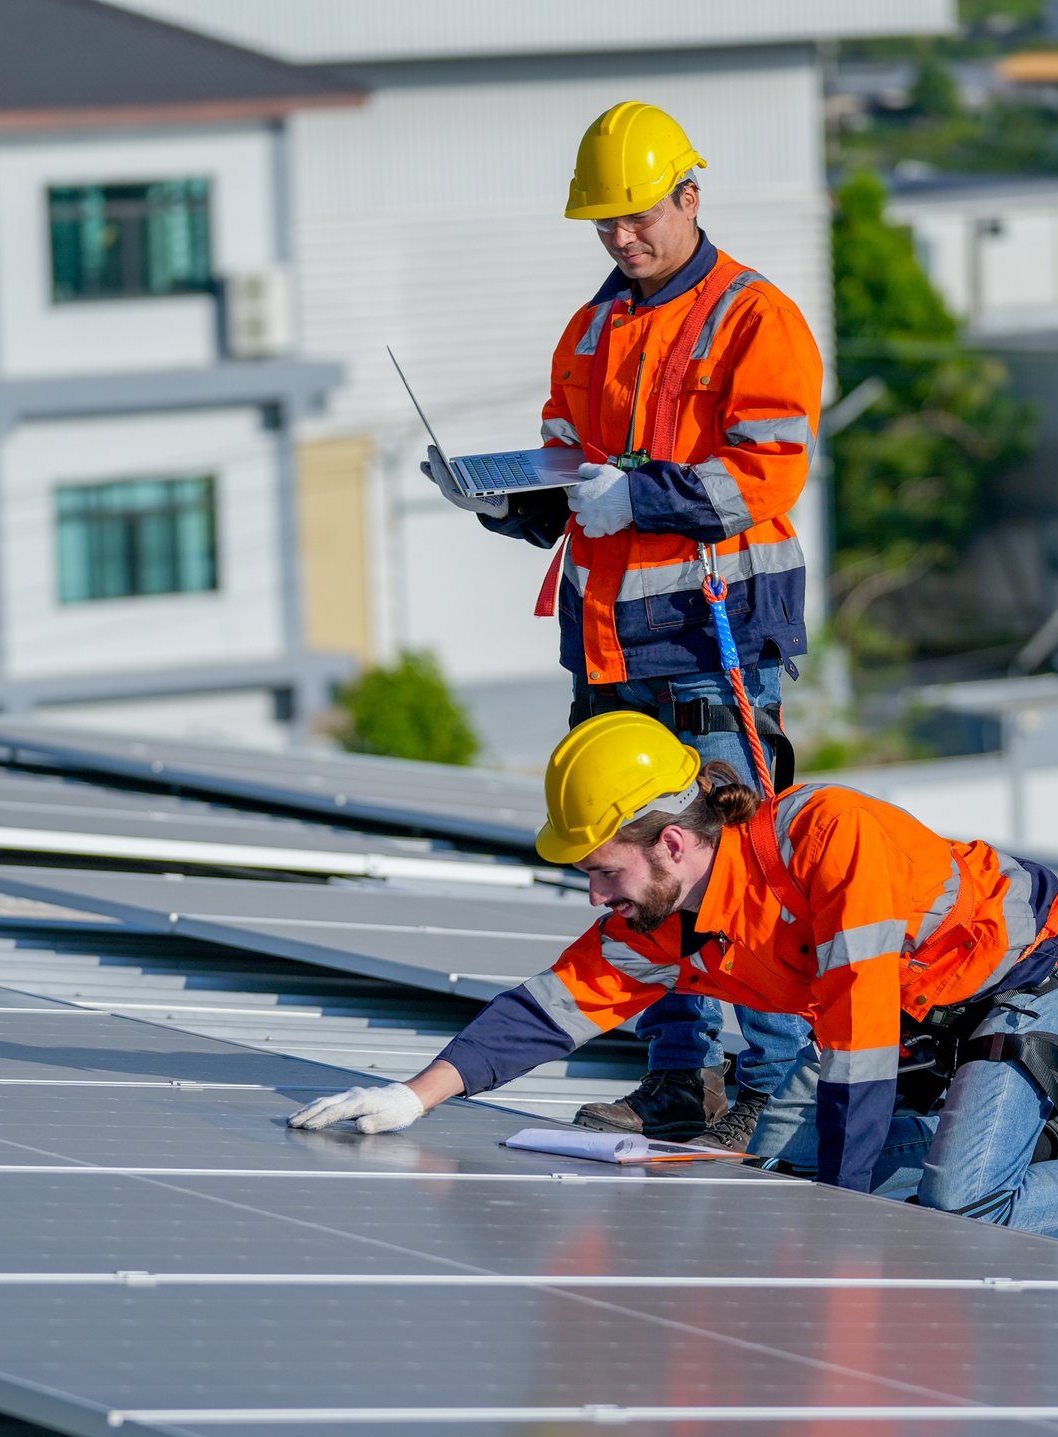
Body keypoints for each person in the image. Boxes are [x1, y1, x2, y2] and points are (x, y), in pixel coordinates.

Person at [291, 713, 1058, 1245]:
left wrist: (855, 1223)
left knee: (955, 1211)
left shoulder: (831, 842)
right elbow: (550, 1010)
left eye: (600, 869)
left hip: (1016, 974)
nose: (593, 894)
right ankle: (1021, 1128)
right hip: (918, 1018)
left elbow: (862, 1049)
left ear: (670, 842)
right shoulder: (668, 918)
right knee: (789, 1169)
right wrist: (415, 1099)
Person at [417, 100, 822, 1154]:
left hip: (710, 643)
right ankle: (679, 1083)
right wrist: (508, 501)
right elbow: (566, 481)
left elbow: (769, 471)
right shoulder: (591, 329)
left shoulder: (751, 317)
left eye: (636, 217)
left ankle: (775, 1091)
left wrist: (636, 498)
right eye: (604, 224)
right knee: (643, 877)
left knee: (741, 875)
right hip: (607, 651)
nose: (621, 238)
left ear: (690, 198)